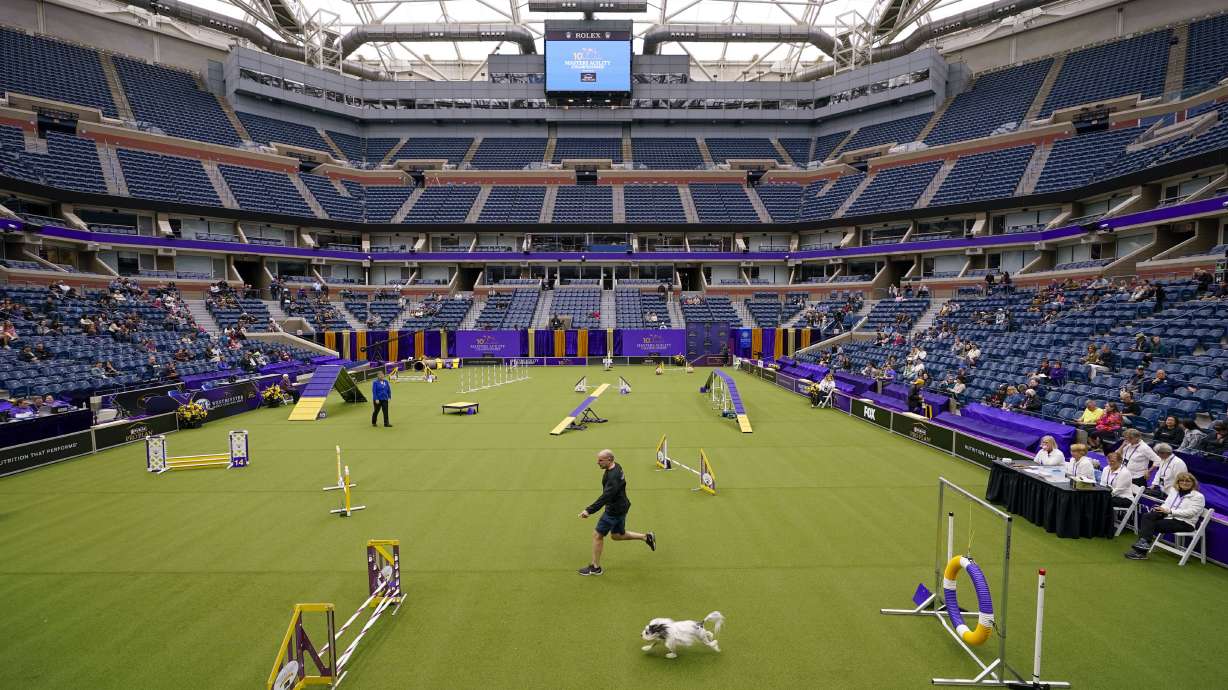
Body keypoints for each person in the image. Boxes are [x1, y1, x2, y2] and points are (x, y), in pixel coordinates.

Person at [578, 449, 655, 576]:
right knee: (617, 535)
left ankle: (595, 567)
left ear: (609, 460)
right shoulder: (616, 466)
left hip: (613, 510)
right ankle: (646, 537)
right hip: (622, 506)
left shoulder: (613, 477)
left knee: (597, 535)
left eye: (600, 460)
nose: (597, 462)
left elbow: (605, 497)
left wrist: (588, 510)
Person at [1125, 472, 1205, 560]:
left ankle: (1141, 552)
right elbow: (1167, 504)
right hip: (1169, 516)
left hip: (1185, 523)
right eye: (1181, 481)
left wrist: (1170, 511)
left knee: (1151, 524)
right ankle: (1143, 544)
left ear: (1193, 483)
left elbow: (1191, 512)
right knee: (1147, 516)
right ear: (1177, 482)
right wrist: (1161, 508)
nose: (1184, 483)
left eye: (1188, 481)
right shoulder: (1174, 491)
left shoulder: (1198, 497)